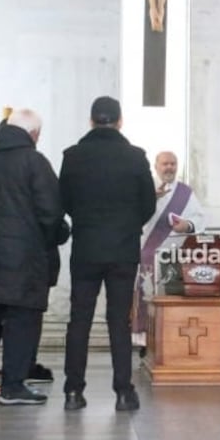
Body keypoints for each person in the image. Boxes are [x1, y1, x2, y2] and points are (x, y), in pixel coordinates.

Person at [0, 109, 64, 406]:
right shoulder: (35, 162)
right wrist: (54, 237)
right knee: (21, 321)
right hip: (24, 260)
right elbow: (51, 213)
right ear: (33, 134)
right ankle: (13, 386)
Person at [60, 96, 156, 412]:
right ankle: (123, 392)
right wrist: (127, 225)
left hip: (86, 247)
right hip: (122, 248)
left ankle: (73, 391)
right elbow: (148, 204)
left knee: (79, 320)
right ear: (119, 121)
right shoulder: (135, 157)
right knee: (119, 320)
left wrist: (87, 222)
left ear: (91, 121)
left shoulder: (73, 156)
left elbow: (64, 202)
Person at [131, 151, 206, 355]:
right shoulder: (144, 188)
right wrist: (149, 199)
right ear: (156, 166)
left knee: (170, 297)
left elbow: (199, 218)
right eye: (165, 163)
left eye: (173, 163)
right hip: (144, 252)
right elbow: (129, 215)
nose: (169, 167)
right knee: (145, 294)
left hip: (173, 255)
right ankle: (144, 339)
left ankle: (169, 338)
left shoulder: (185, 193)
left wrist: (187, 225)